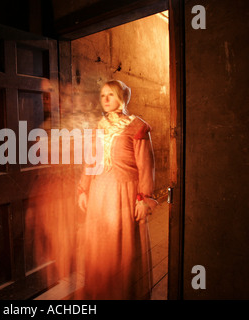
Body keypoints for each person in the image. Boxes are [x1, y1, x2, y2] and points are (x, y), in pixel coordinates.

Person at [76, 80, 158, 300]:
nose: (105, 99)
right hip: (99, 193)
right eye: (102, 95)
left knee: (122, 247)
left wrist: (144, 198)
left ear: (122, 97)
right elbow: (91, 162)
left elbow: (145, 166)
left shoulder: (137, 126)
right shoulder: (97, 127)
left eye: (111, 95)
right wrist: (84, 189)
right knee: (99, 246)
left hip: (124, 193)